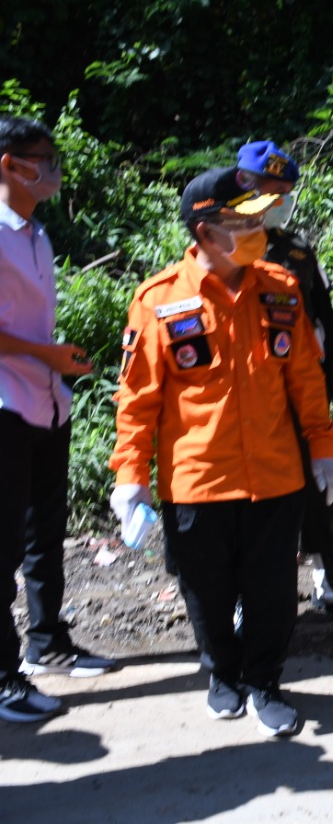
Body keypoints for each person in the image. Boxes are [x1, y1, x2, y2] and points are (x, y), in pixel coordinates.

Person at [109, 167, 333, 736]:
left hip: (276, 475)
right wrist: (130, 476)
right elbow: (137, 399)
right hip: (197, 480)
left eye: (258, 218)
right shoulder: (159, 301)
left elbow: (306, 379)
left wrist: (323, 448)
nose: (257, 227)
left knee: (272, 593)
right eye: (242, 220)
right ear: (205, 229)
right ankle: (222, 676)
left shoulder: (279, 287)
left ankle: (264, 682)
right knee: (207, 593)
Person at [0, 116, 111, 722]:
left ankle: (48, 643)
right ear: (9, 164)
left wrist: (54, 358)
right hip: (5, 404)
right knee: (1, 544)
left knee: (46, 528)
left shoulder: (36, 234)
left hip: (45, 399)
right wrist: (47, 355)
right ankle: (1, 676)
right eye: (43, 158)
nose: (54, 170)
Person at [235, 140, 333, 621]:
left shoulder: (297, 251)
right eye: (273, 192)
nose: (282, 202)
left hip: (302, 395)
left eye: (286, 193)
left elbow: (323, 323)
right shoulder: (224, 246)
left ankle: (328, 581)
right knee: (247, 501)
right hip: (247, 399)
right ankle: (244, 599)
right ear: (245, 187)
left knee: (318, 492)